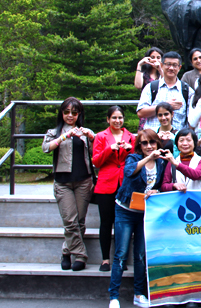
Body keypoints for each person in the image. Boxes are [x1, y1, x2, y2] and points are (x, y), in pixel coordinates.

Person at [109, 129, 168, 308]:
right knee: (120, 254)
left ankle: (139, 294)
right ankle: (114, 296)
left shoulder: (161, 162)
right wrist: (148, 158)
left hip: (145, 212)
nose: (149, 146)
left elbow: (161, 184)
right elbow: (129, 172)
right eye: (144, 143)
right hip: (125, 210)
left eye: (152, 142)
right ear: (139, 145)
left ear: (157, 143)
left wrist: (156, 191)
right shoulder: (133, 158)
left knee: (141, 255)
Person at [42, 97, 95, 272]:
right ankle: (80, 256)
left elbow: (95, 153)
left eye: (74, 112)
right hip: (63, 183)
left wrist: (91, 138)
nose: (70, 115)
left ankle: (66, 251)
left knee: (79, 221)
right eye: (66, 112)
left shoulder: (85, 132)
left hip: (84, 181)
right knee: (70, 221)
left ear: (79, 114)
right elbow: (46, 148)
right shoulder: (54, 132)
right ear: (61, 113)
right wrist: (64, 136)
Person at [92, 106, 136, 272]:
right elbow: (96, 161)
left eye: (120, 118)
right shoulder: (101, 136)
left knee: (123, 223)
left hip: (125, 184)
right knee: (106, 222)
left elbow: (136, 158)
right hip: (106, 183)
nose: (117, 121)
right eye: (114, 118)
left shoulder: (131, 137)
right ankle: (105, 259)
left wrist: (129, 149)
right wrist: (109, 149)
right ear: (108, 119)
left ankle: (121, 259)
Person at [137, 51, 194, 131]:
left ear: (179, 68)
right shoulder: (151, 87)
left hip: (178, 137)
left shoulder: (187, 90)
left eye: (174, 65)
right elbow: (140, 113)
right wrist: (165, 106)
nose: (171, 68)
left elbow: (192, 121)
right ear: (161, 65)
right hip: (154, 137)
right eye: (168, 64)